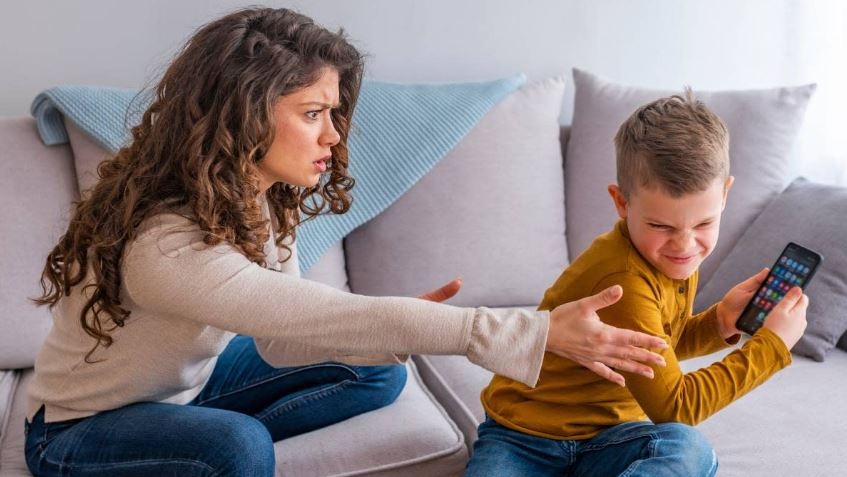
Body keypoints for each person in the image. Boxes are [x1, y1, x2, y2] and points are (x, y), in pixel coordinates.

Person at [23, 7, 669, 477]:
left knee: (378, 367)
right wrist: (525, 329)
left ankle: (186, 442)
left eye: (332, 113)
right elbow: (318, 315)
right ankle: (198, 447)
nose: (332, 134)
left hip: (186, 388)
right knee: (235, 445)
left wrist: (404, 326)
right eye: (312, 114)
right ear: (244, 112)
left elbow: (278, 340)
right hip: (78, 432)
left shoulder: (260, 198)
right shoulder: (164, 245)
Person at [467, 90, 810, 477]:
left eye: (703, 224)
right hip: (523, 439)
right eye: (661, 226)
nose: (684, 245)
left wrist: (718, 324)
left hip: (611, 438)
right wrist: (772, 347)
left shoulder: (670, 255)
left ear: (725, 194)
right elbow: (675, 406)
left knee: (687, 448)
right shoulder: (624, 280)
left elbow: (648, 353)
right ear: (621, 203)